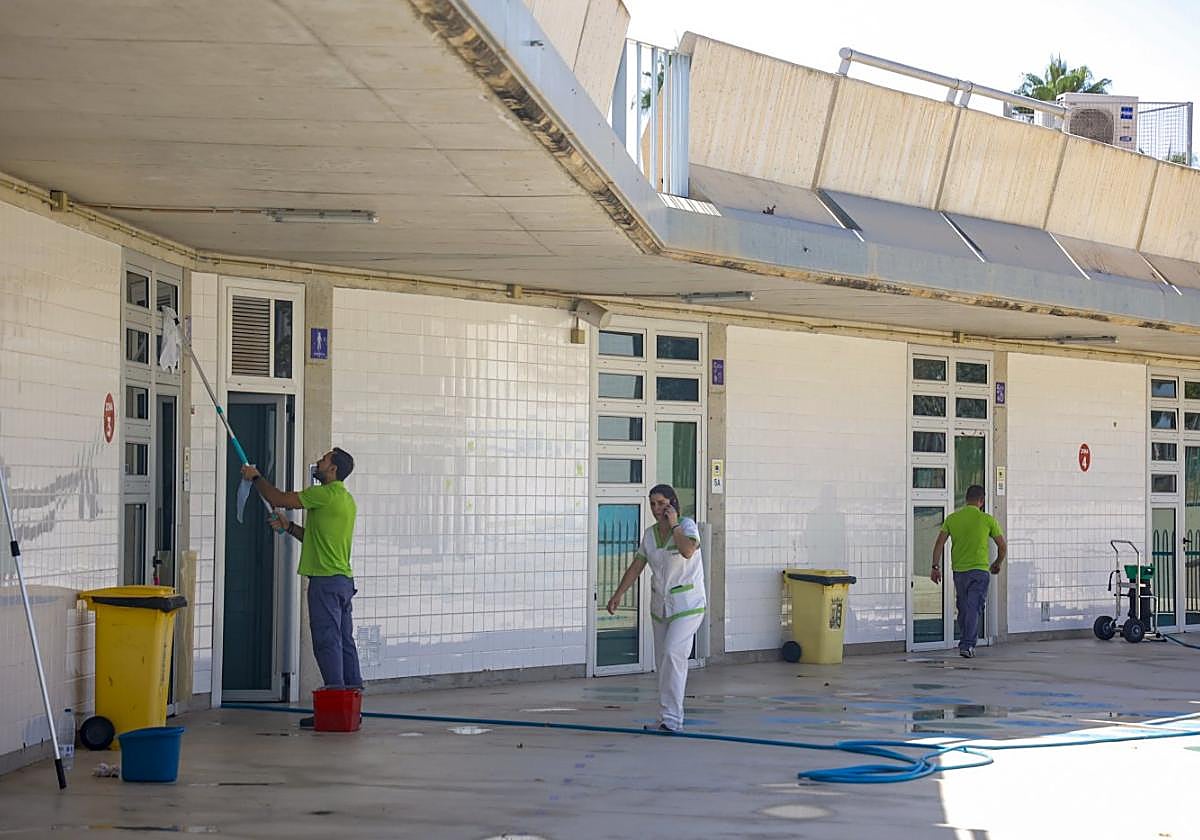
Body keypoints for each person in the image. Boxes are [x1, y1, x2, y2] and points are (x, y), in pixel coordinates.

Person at [242, 448, 360, 726]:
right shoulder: (345, 500)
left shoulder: (325, 494)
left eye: (324, 460)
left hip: (326, 584)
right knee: (344, 643)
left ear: (332, 470)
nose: (318, 463)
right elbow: (315, 539)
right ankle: (351, 708)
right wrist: (288, 527)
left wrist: (255, 476)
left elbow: (278, 498)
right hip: (342, 582)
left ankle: (335, 713)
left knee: (327, 643)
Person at [606, 484, 705, 732]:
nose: (656, 509)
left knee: (673, 654)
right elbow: (637, 566)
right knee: (663, 662)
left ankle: (673, 719)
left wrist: (674, 525)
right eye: (652, 504)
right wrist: (619, 594)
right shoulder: (650, 535)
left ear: (671, 503)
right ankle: (665, 716)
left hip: (687, 605)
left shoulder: (687, 526)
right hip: (660, 606)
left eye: (660, 503)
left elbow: (687, 550)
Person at [931, 484, 1006, 659]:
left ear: (966, 499)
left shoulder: (952, 519)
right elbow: (1002, 546)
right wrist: (997, 563)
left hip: (959, 572)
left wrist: (935, 567)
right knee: (972, 608)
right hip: (979, 571)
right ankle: (967, 645)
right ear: (981, 500)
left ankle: (966, 642)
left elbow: (939, 544)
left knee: (964, 608)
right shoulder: (988, 520)